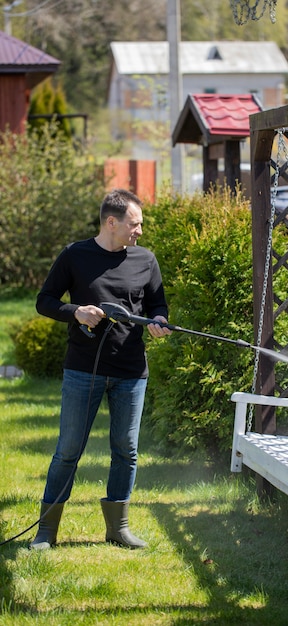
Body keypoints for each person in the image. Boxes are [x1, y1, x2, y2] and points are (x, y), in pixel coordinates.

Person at [30, 188, 171, 550]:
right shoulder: (75, 256)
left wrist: (158, 320)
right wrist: (75, 312)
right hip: (82, 370)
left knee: (126, 449)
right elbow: (44, 301)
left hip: (130, 371)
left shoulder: (145, 260)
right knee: (69, 448)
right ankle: (46, 532)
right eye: (134, 224)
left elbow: (157, 303)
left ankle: (118, 528)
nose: (139, 231)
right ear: (112, 222)